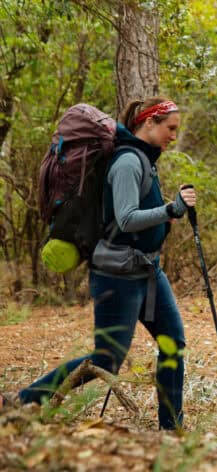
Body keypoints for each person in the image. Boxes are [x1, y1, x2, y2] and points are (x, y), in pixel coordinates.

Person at [1, 97, 196, 430]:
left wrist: (166, 211)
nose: (174, 136)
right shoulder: (127, 162)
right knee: (107, 358)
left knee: (173, 341)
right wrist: (169, 210)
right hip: (117, 276)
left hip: (147, 271)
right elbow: (127, 217)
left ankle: (171, 428)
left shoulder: (146, 160)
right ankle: (25, 400)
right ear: (148, 123)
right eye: (170, 128)